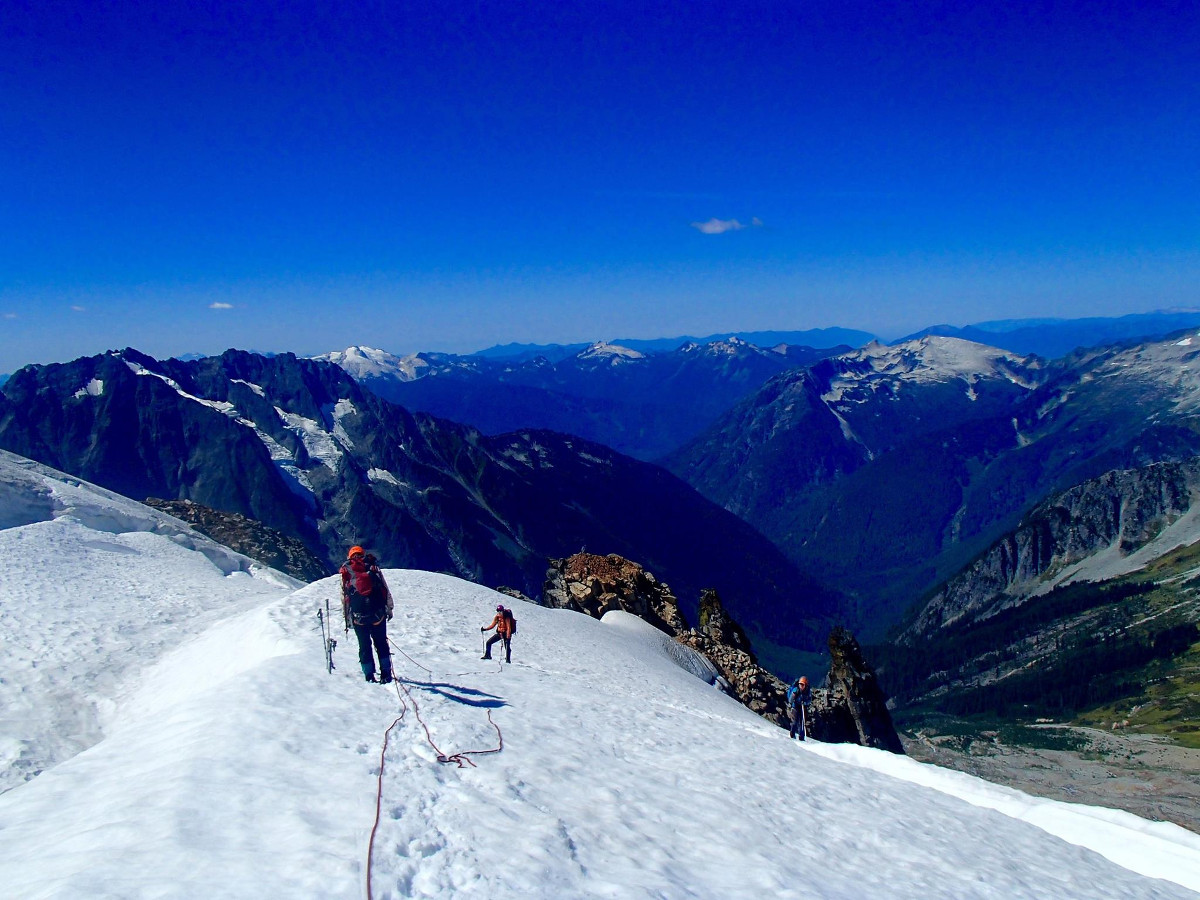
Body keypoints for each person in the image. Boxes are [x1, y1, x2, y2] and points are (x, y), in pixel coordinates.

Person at [340, 546, 394, 683]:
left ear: (350, 557)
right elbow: (384, 588)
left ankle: (369, 675)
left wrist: (347, 618)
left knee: (364, 646)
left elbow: (344, 597)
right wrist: (389, 608)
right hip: (378, 615)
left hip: (359, 618)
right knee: (381, 643)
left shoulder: (347, 571)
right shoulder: (372, 567)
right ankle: (386, 673)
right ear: (363, 555)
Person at [786, 676, 811, 740]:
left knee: (802, 723)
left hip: (802, 707)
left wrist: (805, 703)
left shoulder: (807, 691)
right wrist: (793, 698)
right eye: (800, 684)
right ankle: (792, 735)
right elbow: (790, 700)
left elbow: (809, 700)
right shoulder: (796, 690)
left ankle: (801, 737)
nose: (801, 686)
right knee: (794, 722)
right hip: (795, 707)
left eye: (803, 684)